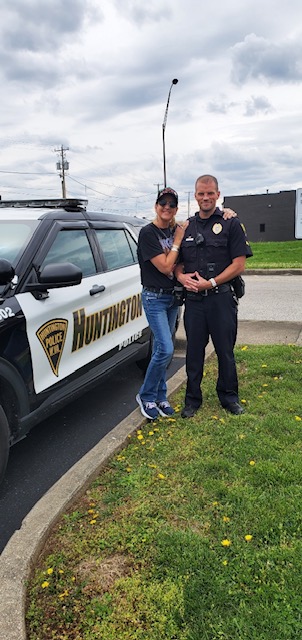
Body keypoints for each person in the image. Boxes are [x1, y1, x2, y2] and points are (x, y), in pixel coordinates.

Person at [175, 174, 253, 418]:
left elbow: (239, 264)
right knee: (194, 352)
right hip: (195, 302)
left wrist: (210, 283)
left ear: (218, 195)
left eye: (210, 193)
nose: (205, 198)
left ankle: (229, 397)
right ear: (195, 195)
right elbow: (177, 263)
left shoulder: (231, 223)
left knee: (225, 351)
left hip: (221, 299)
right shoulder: (186, 227)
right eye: (201, 193)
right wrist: (181, 278)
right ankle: (192, 400)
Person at [136, 187, 187, 420]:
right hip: (154, 298)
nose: (167, 207)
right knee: (166, 348)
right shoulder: (148, 233)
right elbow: (165, 266)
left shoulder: (177, 229)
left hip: (172, 297)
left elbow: (179, 264)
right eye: (162, 203)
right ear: (156, 206)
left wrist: (227, 212)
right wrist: (177, 242)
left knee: (160, 349)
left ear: (176, 208)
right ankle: (146, 396)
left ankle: (160, 395)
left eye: (171, 204)